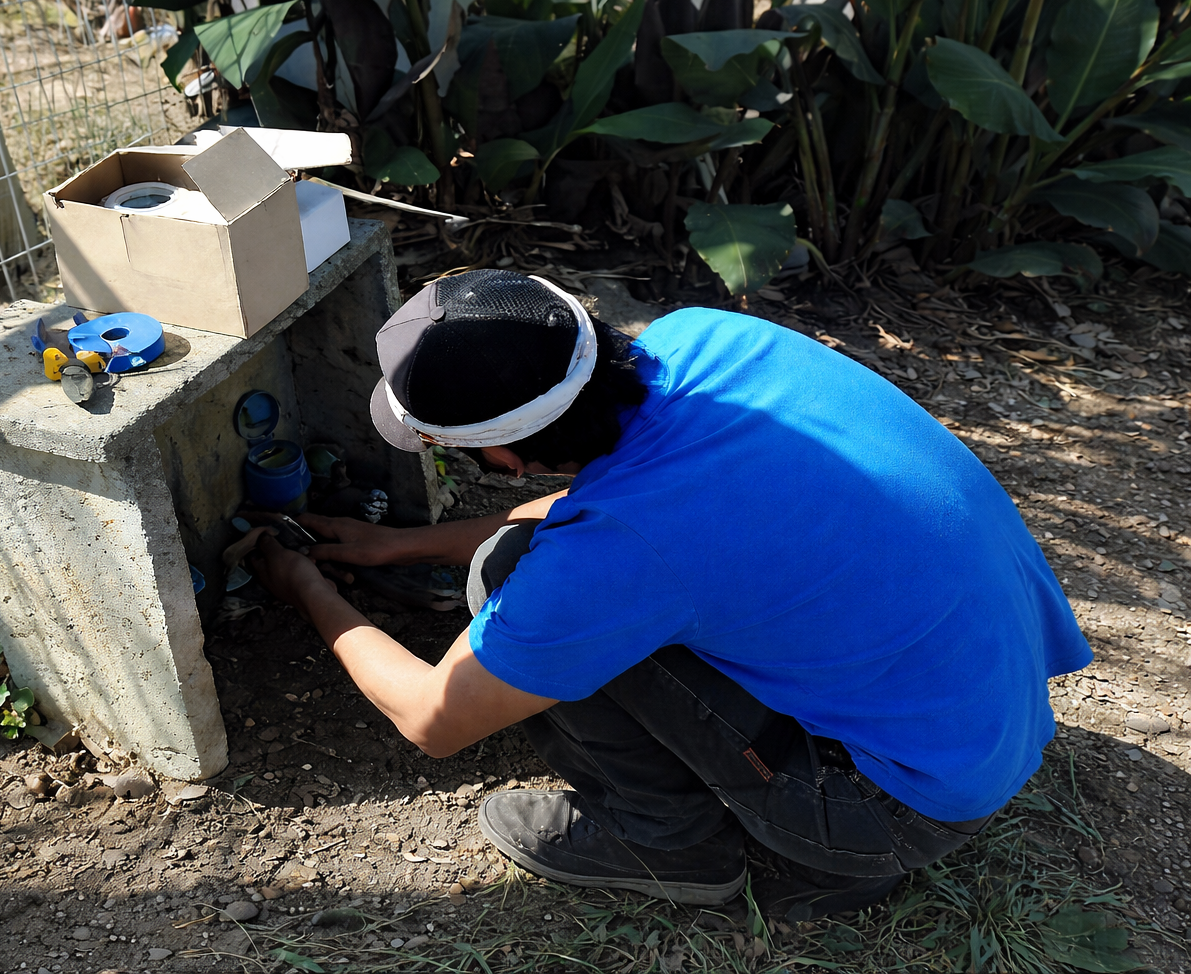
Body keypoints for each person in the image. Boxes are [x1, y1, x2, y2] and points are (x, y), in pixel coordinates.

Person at [246, 269, 1092, 920]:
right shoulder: (706, 341)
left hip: (889, 808)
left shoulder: (622, 552)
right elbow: (607, 499)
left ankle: (668, 846)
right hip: (991, 713)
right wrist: (400, 543)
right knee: (549, 569)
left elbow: (432, 719)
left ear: (507, 456)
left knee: (505, 574)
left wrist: (309, 587)